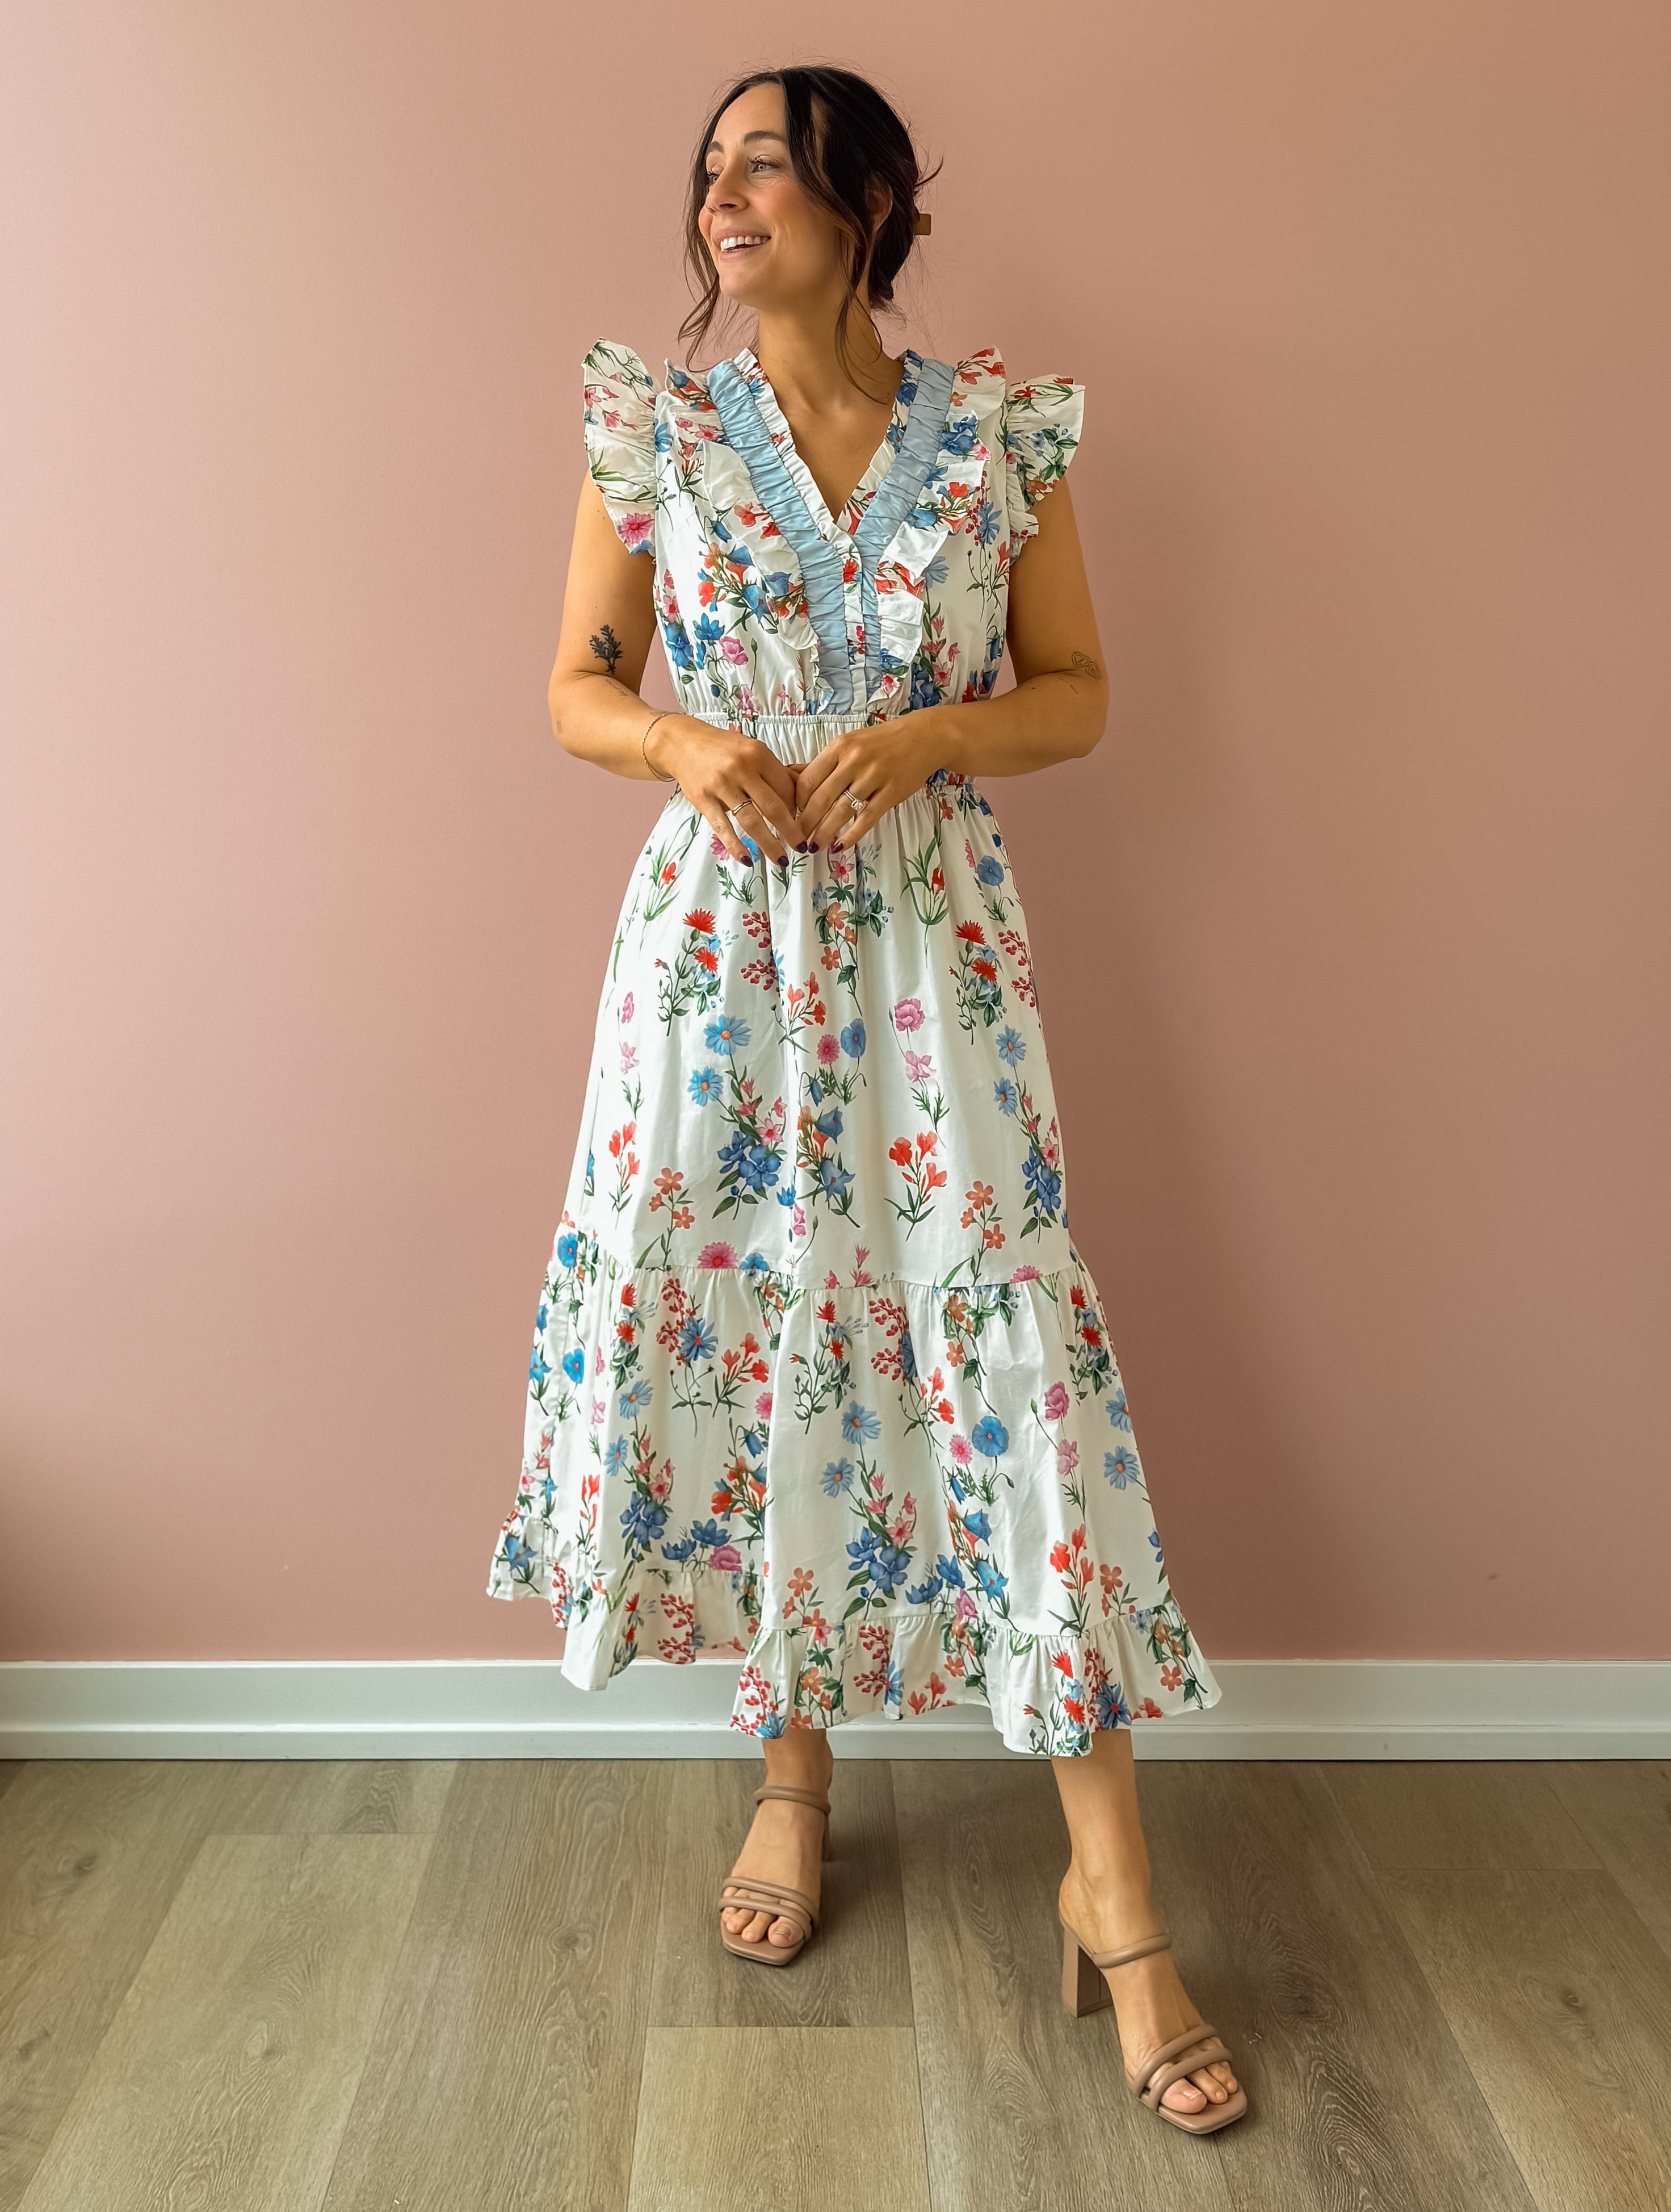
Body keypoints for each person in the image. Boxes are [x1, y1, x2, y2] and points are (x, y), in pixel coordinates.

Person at [486, 63, 1245, 2135]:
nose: (723, 197)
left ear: (870, 201)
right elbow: (574, 685)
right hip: (714, 958)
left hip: (931, 960)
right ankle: (792, 1774)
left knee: (998, 1350)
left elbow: (1078, 692)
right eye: (709, 168)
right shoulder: (653, 434)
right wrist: (679, 746)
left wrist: (932, 741)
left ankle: (1116, 1896)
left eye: (767, 163)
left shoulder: (999, 440)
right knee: (763, 1328)